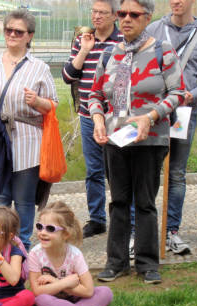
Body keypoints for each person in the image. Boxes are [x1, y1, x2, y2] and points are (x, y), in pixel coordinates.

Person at [90, 0, 185, 284]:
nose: (126, 19)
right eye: (122, 14)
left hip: (150, 138)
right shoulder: (110, 54)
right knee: (118, 201)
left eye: (134, 14)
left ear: (147, 17)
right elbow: (95, 94)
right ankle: (115, 262)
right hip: (115, 139)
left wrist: (150, 116)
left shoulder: (161, 50)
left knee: (145, 202)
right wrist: (97, 120)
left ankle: (147, 264)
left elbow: (178, 92)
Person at [0, 9, 58, 251]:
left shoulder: (39, 67)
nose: (12, 35)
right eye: (8, 30)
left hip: (27, 139)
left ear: (29, 36)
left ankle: (23, 248)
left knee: (24, 199)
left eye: (18, 32)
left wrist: (37, 102)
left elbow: (53, 104)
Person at [146, 0, 197, 255]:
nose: (176, 2)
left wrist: (190, 95)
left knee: (176, 173)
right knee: (148, 171)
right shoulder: (154, 29)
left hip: (184, 114)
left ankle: (172, 231)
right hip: (153, 114)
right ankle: (142, 233)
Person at [62, 0, 122, 238]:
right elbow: (68, 75)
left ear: (115, 15)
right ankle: (97, 219)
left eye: (102, 13)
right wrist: (85, 49)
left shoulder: (122, 40)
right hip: (87, 114)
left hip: (116, 117)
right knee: (94, 171)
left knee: (117, 171)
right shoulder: (82, 39)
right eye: (94, 12)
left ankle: (122, 217)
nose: (96, 17)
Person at [28, 201, 125, 306]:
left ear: (66, 234)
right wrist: (64, 283)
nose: (42, 232)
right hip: (51, 300)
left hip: (76, 299)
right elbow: (37, 291)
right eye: (39, 226)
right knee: (41, 300)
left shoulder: (75, 255)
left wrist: (56, 283)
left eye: (50, 229)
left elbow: (88, 291)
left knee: (105, 292)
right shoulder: (35, 254)